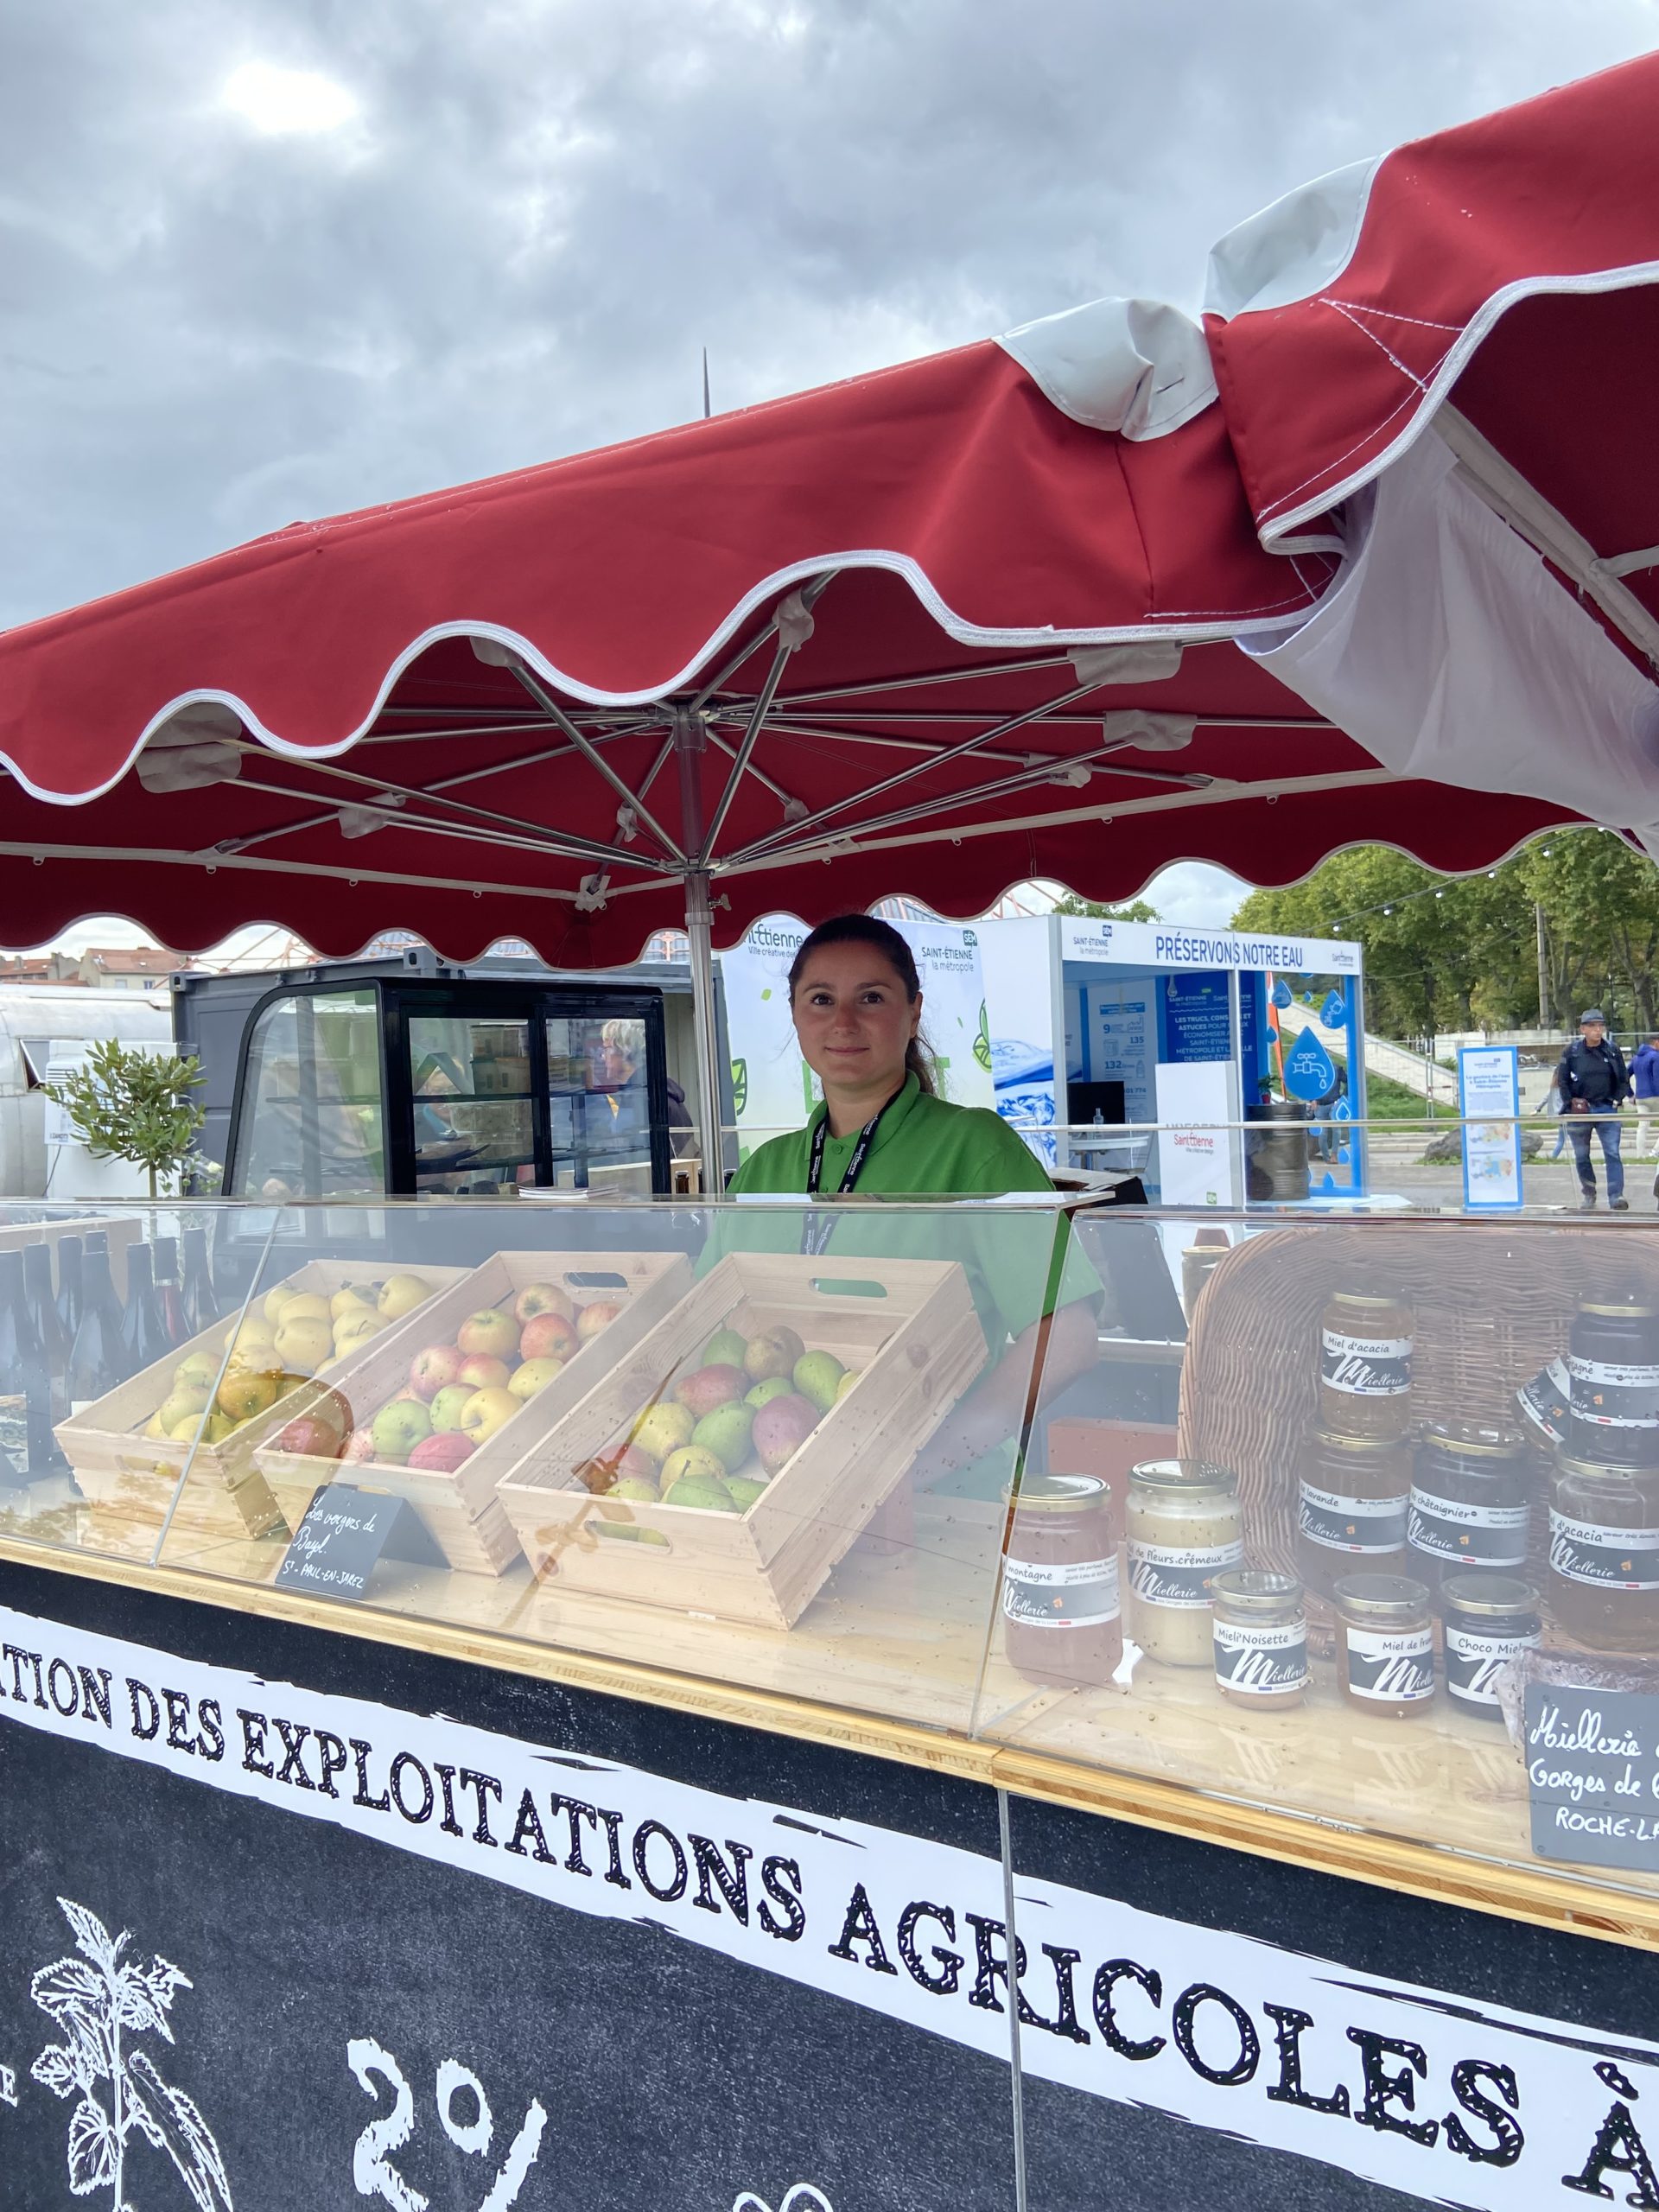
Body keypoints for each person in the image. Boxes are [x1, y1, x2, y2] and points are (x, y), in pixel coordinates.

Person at [702, 913, 1101, 1484]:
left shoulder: (973, 1147)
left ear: (913, 1012)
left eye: (870, 997)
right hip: (772, 1488)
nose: (843, 1021)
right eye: (820, 999)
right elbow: (702, 1328)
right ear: (794, 1014)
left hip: (943, 1501)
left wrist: (929, 1461)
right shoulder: (761, 1172)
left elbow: (1069, 1337)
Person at [1554, 1007, 1630, 1211]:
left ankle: (1616, 1196)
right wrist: (1570, 1102)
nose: (1598, 1030)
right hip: (1580, 1111)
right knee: (1581, 1155)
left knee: (1613, 1153)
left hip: (1606, 1108)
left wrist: (1617, 1099)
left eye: (1600, 1025)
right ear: (1583, 1029)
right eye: (1592, 1026)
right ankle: (1589, 1192)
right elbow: (1562, 1080)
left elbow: (1623, 1078)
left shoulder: (1612, 1050)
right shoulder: (1571, 1052)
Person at [1632, 1032, 1659, 1157]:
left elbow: (1625, 1075)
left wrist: (1630, 1093)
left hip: (1640, 1096)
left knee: (1643, 1126)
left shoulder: (1636, 1058)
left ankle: (1640, 1154)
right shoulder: (1656, 1056)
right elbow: (1657, 1078)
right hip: (1655, 1095)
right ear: (1656, 1042)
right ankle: (1655, 1151)